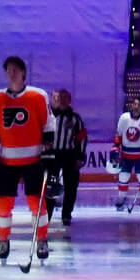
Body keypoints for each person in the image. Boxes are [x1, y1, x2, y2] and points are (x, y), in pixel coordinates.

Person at [0, 56, 56, 262]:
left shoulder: (38, 96)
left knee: (37, 203)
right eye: (8, 69)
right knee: (3, 204)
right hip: (7, 161)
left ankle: (42, 240)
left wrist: (49, 152)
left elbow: (48, 125)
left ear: (23, 73)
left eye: (15, 69)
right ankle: (3, 241)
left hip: (34, 160)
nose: (11, 73)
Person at [51, 88, 88, 227]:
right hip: (53, 155)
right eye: (60, 97)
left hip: (70, 155)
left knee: (71, 186)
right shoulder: (50, 116)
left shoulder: (75, 119)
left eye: (66, 98)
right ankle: (46, 213)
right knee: (51, 185)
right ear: (56, 99)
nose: (63, 100)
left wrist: (80, 157)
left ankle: (66, 214)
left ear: (70, 100)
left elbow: (82, 138)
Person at [113, 98, 140, 211]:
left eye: (138, 104)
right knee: (123, 176)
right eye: (134, 104)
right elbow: (119, 134)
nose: (135, 106)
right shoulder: (124, 117)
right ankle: (121, 198)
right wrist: (115, 147)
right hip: (126, 154)